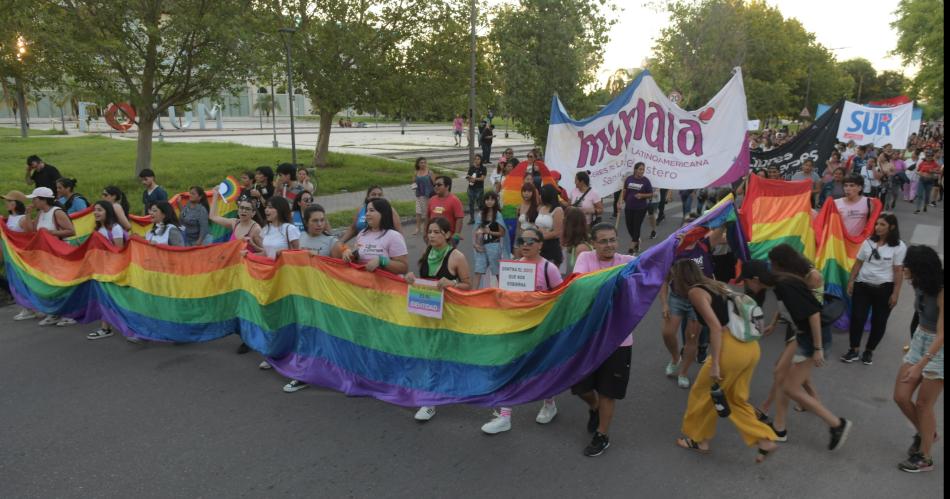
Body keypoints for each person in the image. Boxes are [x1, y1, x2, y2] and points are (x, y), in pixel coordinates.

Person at [672, 260, 778, 462]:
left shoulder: (695, 292)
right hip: (750, 348)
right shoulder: (715, 285)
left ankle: (698, 439)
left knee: (702, 393)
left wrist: (717, 364)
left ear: (679, 278)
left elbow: (715, 327)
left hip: (731, 350)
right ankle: (763, 439)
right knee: (735, 398)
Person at [740, 260, 853, 452]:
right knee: (779, 372)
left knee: (790, 387)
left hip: (812, 338)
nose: (746, 286)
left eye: (746, 281)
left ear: (756, 279)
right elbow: (787, 307)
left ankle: (836, 424)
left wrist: (817, 349)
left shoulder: (784, 285)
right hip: (801, 334)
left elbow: (814, 315)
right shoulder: (778, 285)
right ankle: (780, 428)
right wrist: (774, 323)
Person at [481, 227, 562, 434]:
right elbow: (504, 294)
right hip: (516, 326)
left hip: (541, 328)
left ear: (541, 245)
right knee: (510, 367)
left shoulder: (548, 268)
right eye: (521, 240)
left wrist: (538, 299)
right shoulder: (513, 266)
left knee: (541, 367)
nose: (525, 245)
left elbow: (562, 297)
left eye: (531, 241)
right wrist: (499, 295)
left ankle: (549, 404)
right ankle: (505, 416)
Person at [570, 223, 634, 456]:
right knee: (579, 385)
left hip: (619, 340)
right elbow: (581, 284)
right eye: (603, 241)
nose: (609, 245)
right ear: (593, 243)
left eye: (612, 240)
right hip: (590, 336)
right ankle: (594, 407)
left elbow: (654, 262)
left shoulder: (627, 261)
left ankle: (602, 434)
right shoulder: (585, 258)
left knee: (608, 391)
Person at [756, 244, 824, 441]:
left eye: (773, 264)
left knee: (783, 371)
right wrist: (773, 323)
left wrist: (818, 347)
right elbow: (787, 303)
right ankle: (809, 402)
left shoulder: (812, 276)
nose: (771, 267)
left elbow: (811, 310)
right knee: (788, 371)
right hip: (796, 324)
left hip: (807, 328)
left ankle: (772, 413)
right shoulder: (788, 279)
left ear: (782, 264)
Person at [409, 217, 474, 421]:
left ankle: (435, 398)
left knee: (442, 354)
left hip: (449, 314)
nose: (431, 236)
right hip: (426, 312)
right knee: (429, 354)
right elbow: (423, 282)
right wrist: (410, 279)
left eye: (436, 232)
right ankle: (432, 397)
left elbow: (468, 285)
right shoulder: (427, 252)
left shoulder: (457, 256)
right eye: (429, 232)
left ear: (447, 234)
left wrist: (452, 283)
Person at [893, 245, 944, 473]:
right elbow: (920, 314)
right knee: (901, 396)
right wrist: (911, 345)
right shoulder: (920, 284)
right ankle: (927, 433)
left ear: (921, 269)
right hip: (920, 338)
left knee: (924, 405)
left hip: (939, 347)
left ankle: (925, 457)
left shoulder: (942, 290)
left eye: (908, 265)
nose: (904, 268)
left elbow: (942, 334)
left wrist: (921, 365)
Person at [281, 204, 342, 393]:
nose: (319, 224)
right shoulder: (301, 238)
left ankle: (333, 372)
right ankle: (303, 374)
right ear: (306, 222)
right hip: (304, 295)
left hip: (324, 299)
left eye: (322, 220)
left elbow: (339, 273)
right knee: (305, 334)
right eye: (315, 220)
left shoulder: (332, 242)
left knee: (326, 336)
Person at [842, 213, 906, 365]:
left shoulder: (899, 246)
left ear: (892, 227)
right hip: (862, 286)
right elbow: (858, 263)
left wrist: (895, 293)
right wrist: (851, 281)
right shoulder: (868, 242)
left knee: (879, 321)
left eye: (882, 225)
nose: (877, 227)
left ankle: (869, 351)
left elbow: (898, 271)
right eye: (877, 224)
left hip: (884, 289)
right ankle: (854, 349)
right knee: (857, 318)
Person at [86, 201, 127, 340]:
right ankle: (105, 328)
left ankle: (130, 328)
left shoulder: (115, 228)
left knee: (118, 300)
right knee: (104, 299)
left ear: (108, 212)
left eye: (100, 210)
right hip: (101, 269)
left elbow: (118, 251)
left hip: (114, 271)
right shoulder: (98, 229)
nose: (96, 212)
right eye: (95, 210)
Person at [341, 198, 409, 275]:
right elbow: (358, 259)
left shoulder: (394, 236)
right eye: (367, 210)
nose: (367, 214)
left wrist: (381, 261)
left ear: (383, 213)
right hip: (364, 282)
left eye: (371, 210)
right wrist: (349, 255)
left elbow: (404, 268)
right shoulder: (362, 234)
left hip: (386, 285)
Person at [4, 191, 36, 321]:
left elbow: (30, 233)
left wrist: (28, 215)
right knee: (16, 282)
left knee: (24, 282)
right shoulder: (10, 217)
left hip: (22, 256)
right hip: (12, 256)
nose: (5, 204)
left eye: (8, 201)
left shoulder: (22, 219)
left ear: (14, 204)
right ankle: (27, 308)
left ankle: (29, 308)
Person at [472, 192, 505, 289]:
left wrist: (490, 232)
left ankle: (502, 292)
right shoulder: (480, 214)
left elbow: (502, 233)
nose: (489, 202)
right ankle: (473, 294)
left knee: (496, 270)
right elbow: (475, 230)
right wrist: (475, 244)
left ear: (495, 201)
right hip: (481, 246)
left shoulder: (498, 214)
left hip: (494, 245)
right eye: (487, 199)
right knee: (478, 270)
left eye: (492, 199)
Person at [619, 162, 653, 255]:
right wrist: (621, 201)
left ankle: (632, 247)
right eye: (640, 169)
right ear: (635, 170)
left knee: (636, 226)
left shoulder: (646, 181)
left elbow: (651, 193)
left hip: (640, 208)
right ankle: (636, 240)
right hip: (629, 207)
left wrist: (642, 195)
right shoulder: (629, 179)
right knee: (629, 226)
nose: (642, 171)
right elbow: (624, 191)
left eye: (643, 169)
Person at [426, 176, 464, 246]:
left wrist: (456, 235)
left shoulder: (455, 200)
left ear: (447, 187)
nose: (436, 187)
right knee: (432, 256)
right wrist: (425, 233)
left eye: (439, 185)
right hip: (433, 237)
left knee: (447, 256)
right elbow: (427, 217)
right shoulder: (431, 200)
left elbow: (459, 218)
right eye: (434, 185)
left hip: (448, 238)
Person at [834, 174, 872, 238]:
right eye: (845, 186)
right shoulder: (835, 203)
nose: (848, 188)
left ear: (860, 188)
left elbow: (872, 222)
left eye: (852, 185)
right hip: (841, 241)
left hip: (860, 242)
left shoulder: (869, 202)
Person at [536, 185, 564, 267]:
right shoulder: (542, 208)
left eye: (541, 194)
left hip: (551, 246)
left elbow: (557, 232)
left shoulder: (558, 210)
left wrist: (541, 236)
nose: (539, 196)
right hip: (539, 245)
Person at [561, 207, 593, 274]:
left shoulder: (581, 248)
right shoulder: (570, 242)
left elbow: (581, 275)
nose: (561, 221)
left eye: (564, 218)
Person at [412, 158, 435, 236]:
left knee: (426, 212)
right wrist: (414, 189)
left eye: (424, 162)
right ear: (418, 164)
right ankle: (417, 228)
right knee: (418, 212)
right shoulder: (416, 172)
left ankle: (426, 228)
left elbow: (435, 183)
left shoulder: (430, 172)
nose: (423, 164)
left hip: (428, 195)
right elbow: (413, 182)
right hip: (419, 195)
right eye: (421, 163)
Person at [466, 155, 487, 224]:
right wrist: (469, 179)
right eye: (475, 159)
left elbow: (482, 178)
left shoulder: (483, 168)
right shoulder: (471, 168)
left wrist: (475, 179)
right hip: (471, 188)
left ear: (481, 160)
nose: (476, 160)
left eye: (478, 159)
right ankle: (472, 219)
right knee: (471, 204)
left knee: (480, 204)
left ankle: (483, 218)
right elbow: (468, 176)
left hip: (479, 189)